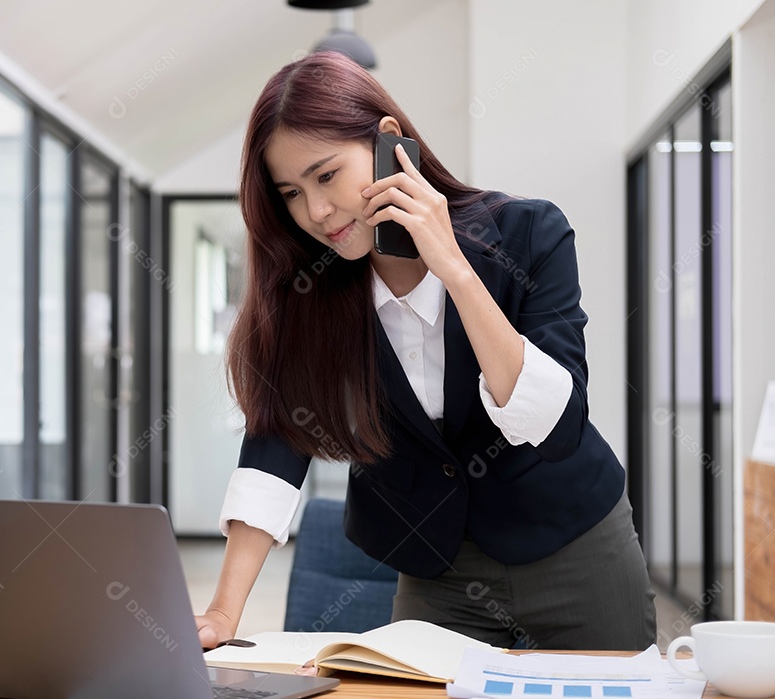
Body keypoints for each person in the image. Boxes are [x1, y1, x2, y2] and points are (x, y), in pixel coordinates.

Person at [194, 51, 656, 652]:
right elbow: (276, 446)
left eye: (327, 175)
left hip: (573, 546)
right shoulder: (313, 290)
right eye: (291, 192)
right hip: (435, 570)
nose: (316, 212)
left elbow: (557, 427)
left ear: (389, 144)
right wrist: (224, 614)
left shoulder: (530, 233)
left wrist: (456, 272)